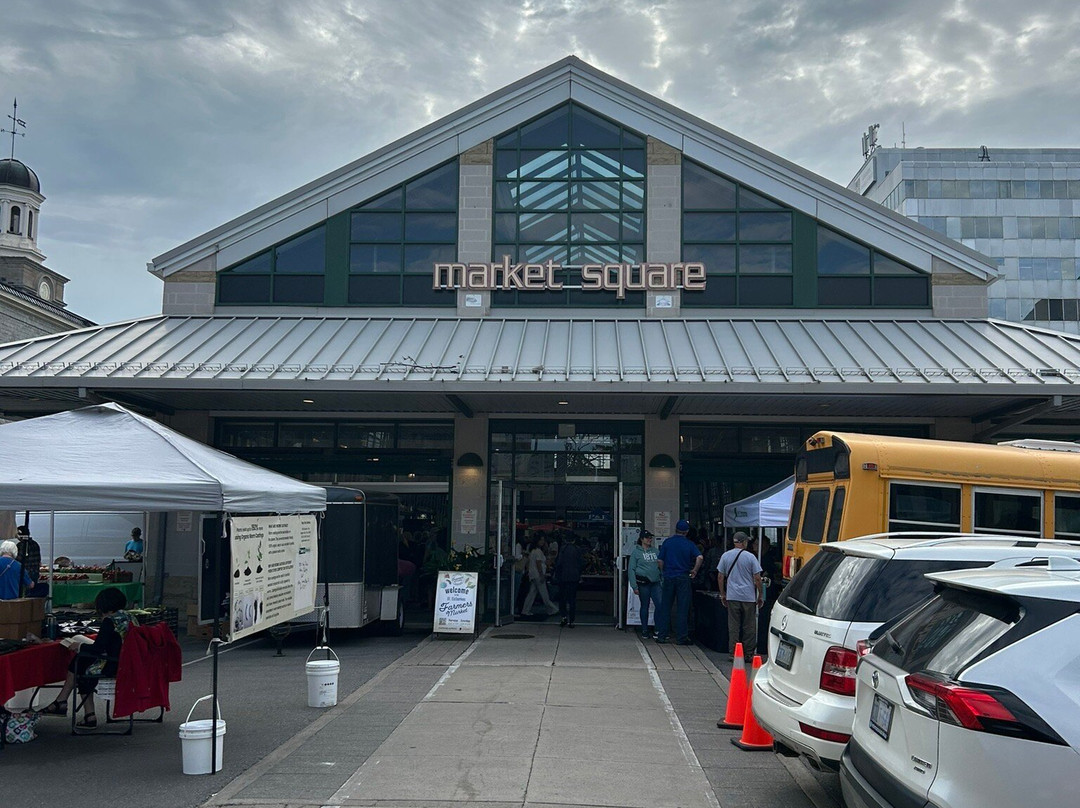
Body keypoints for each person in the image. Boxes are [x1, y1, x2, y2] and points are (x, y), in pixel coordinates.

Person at [41, 586, 137, 728]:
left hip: (114, 664)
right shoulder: (130, 618)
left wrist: (79, 646)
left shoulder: (110, 621)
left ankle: (72, 706)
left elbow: (98, 648)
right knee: (82, 660)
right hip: (127, 660)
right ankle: (68, 704)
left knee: (80, 663)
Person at [717, 531, 764, 663]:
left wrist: (723, 593)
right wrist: (760, 594)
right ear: (744, 542)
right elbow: (757, 578)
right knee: (749, 626)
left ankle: (733, 653)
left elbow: (720, 576)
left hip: (732, 596)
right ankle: (748, 654)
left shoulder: (725, 556)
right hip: (748, 597)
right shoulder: (751, 557)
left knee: (733, 626)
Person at [655, 520, 703, 645]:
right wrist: (695, 570)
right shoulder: (689, 544)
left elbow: (660, 561)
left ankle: (662, 635)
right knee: (683, 607)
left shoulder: (668, 542)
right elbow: (700, 557)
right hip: (683, 577)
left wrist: (663, 571)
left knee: (666, 606)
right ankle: (681, 637)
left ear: (675, 529)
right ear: (686, 532)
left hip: (669, 577)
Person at [627, 530, 660, 638]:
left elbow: (661, 565)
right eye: (647, 538)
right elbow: (631, 569)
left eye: (650, 538)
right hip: (643, 583)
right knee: (645, 605)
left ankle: (657, 628)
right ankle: (645, 629)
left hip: (655, 582)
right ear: (641, 539)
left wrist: (662, 580)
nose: (649, 539)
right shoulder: (636, 553)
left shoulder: (655, 551)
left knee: (659, 604)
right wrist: (634, 586)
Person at [520, 537, 559, 617]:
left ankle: (525, 610)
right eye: (541, 540)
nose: (542, 542)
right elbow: (538, 564)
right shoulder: (538, 551)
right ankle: (553, 609)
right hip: (538, 575)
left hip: (533, 575)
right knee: (544, 594)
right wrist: (541, 574)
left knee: (532, 593)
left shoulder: (533, 551)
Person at [552, 537, 584, 627]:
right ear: (574, 540)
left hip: (563, 577)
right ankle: (572, 621)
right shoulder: (577, 549)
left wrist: (556, 574)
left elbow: (559, 563)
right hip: (574, 577)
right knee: (572, 599)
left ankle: (564, 617)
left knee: (563, 599)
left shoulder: (563, 549)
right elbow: (581, 563)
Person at [15, 525, 43, 596]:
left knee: (23, 593)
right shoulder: (35, 544)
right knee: (32, 593)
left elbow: (18, 560)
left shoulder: (21, 545)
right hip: (35, 572)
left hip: (25, 573)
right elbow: (38, 559)